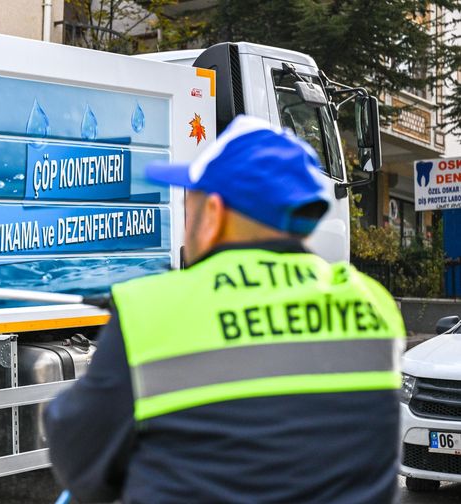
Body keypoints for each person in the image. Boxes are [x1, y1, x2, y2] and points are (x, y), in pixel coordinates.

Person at [44, 115, 404, 503]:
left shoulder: (151, 312)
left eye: (189, 206)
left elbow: (81, 463)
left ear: (213, 214)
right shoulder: (374, 307)